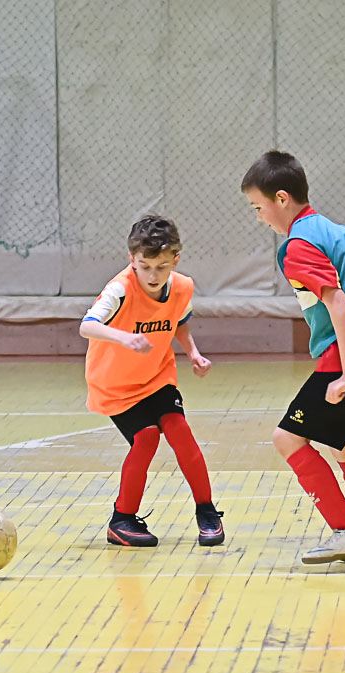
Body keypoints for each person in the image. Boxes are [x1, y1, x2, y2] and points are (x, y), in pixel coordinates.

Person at [242, 150, 345, 564]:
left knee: (287, 437)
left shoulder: (298, 245)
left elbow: (341, 306)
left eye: (258, 207)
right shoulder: (338, 232)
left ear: (282, 199)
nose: (259, 217)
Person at [80, 215, 224, 548]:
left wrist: (193, 353)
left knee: (179, 431)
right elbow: (87, 326)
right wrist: (124, 338)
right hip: (114, 383)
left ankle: (207, 512)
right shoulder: (120, 289)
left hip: (157, 374)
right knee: (145, 438)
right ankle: (122, 520)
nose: (153, 275)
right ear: (132, 259)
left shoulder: (182, 287)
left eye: (161, 267)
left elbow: (178, 320)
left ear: (176, 260)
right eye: (144, 267)